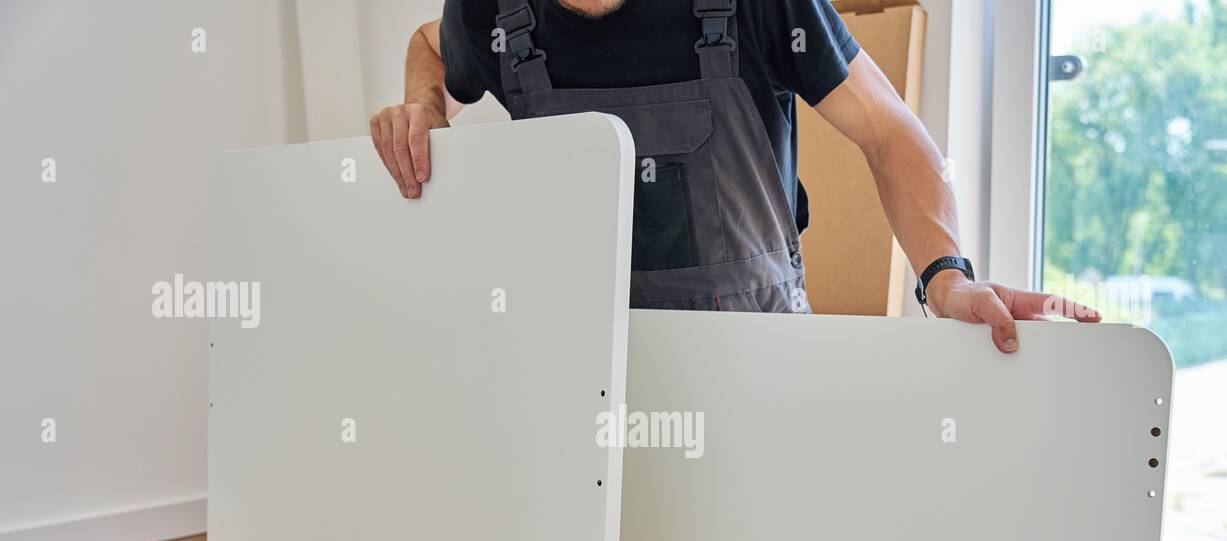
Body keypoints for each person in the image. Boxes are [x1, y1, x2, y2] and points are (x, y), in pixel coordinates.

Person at [370, 0, 1100, 350]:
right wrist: (423, 106)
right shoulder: (493, 13)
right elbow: (429, 45)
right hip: (581, 367)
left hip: (760, 368)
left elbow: (889, 129)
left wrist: (948, 277)